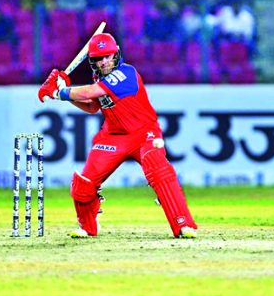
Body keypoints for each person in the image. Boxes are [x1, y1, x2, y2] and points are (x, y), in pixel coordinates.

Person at [37, 32, 198, 239]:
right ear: (92, 61)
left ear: (116, 54)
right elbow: (92, 106)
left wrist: (60, 91)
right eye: (98, 58)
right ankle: (87, 227)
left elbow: (89, 93)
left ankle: (183, 225)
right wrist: (63, 95)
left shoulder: (126, 73)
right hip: (113, 136)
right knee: (84, 183)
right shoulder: (97, 78)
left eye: (108, 56)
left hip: (143, 133)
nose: (104, 62)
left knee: (158, 169)